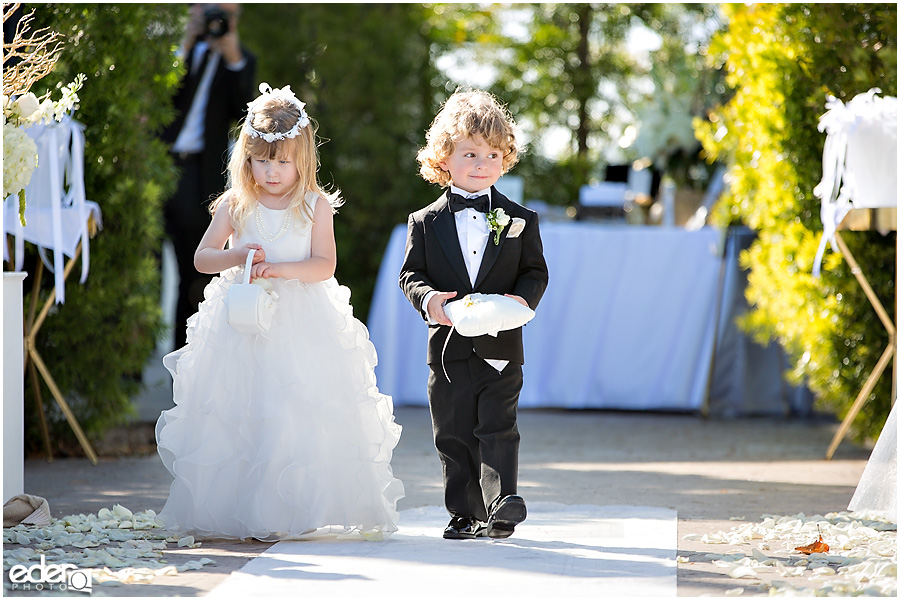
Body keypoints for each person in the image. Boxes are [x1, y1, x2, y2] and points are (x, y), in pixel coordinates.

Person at [155, 83, 404, 541]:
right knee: (242, 409)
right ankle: (239, 506)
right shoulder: (236, 204)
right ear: (246, 157)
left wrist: (281, 269)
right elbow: (202, 258)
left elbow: (324, 265)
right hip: (243, 321)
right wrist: (236, 257)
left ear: (302, 159)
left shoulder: (314, 205)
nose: (272, 171)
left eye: (282, 161)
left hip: (300, 322)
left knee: (292, 410)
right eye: (262, 160)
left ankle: (289, 509)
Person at [399, 90, 549, 540]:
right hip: (446, 348)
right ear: (444, 157)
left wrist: (522, 302)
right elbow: (411, 274)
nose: (482, 163)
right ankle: (464, 512)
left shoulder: (520, 218)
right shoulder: (424, 222)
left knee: (498, 425)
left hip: (502, 344)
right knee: (454, 431)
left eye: (493, 154)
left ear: (505, 159)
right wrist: (431, 301)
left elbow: (534, 272)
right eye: (470, 153)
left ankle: (503, 503)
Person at [162, 3, 257, 350]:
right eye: (211, 8)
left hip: (197, 174)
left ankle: (183, 354)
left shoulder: (241, 59)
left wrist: (233, 58)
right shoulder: (173, 48)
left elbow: (247, 114)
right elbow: (158, 94)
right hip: (156, 163)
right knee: (145, 263)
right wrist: (184, 44)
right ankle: (128, 366)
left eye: (228, 13)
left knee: (193, 270)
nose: (217, 17)